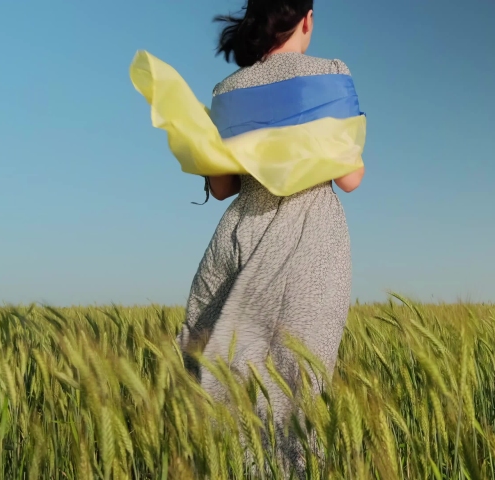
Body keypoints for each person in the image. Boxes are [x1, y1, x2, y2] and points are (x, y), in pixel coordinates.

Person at [175, 0, 364, 474]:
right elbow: (350, 178)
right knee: (298, 388)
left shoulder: (228, 88)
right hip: (311, 239)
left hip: (242, 233)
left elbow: (222, 188)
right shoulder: (332, 72)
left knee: (228, 377)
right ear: (307, 19)